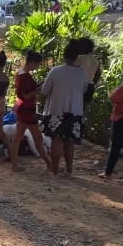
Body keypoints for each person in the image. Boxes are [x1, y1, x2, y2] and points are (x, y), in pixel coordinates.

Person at [41, 42, 89, 177]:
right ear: (77, 57)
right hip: (75, 111)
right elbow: (85, 90)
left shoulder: (55, 71)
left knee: (56, 140)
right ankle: (69, 171)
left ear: (64, 56)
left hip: (56, 110)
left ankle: (55, 171)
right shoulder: (82, 74)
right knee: (69, 142)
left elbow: (44, 91)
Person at [8, 50, 51, 172]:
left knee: (19, 137)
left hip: (24, 108)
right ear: (32, 62)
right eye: (37, 64)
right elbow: (24, 95)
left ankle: (14, 164)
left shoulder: (21, 74)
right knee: (36, 138)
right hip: (27, 109)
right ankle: (48, 162)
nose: (37, 67)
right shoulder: (24, 76)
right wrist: (37, 90)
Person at [75, 37, 102, 104]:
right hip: (90, 87)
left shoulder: (79, 58)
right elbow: (97, 75)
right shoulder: (96, 60)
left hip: (78, 86)